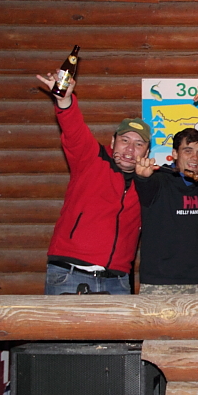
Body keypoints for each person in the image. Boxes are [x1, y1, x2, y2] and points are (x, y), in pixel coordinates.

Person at [36, 74, 146, 295]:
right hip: (70, 273)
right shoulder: (91, 158)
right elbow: (73, 129)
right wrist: (65, 101)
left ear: (146, 151)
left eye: (139, 144)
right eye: (125, 141)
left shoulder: (147, 181)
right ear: (113, 142)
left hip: (117, 281)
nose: (130, 149)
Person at [134, 128, 198, 295]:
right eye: (188, 151)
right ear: (174, 153)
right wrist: (142, 178)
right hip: (157, 282)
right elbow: (145, 187)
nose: (195, 157)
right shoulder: (158, 180)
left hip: (194, 280)